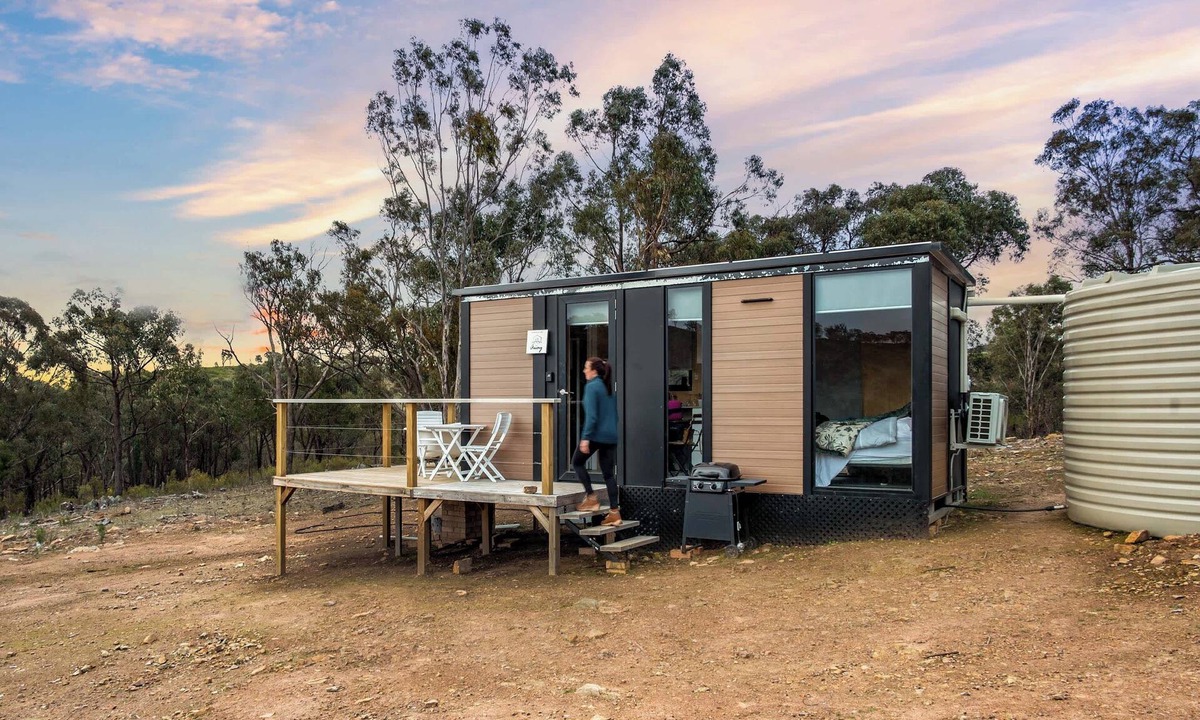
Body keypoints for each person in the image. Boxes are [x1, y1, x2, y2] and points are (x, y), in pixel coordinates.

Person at [573, 357, 621, 525]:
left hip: (596, 435)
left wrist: (585, 438)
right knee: (608, 474)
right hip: (611, 436)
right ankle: (614, 513)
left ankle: (591, 498)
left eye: (586, 367)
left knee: (577, 463)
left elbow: (592, 417)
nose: (584, 370)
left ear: (594, 370)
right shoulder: (607, 387)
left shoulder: (592, 387)